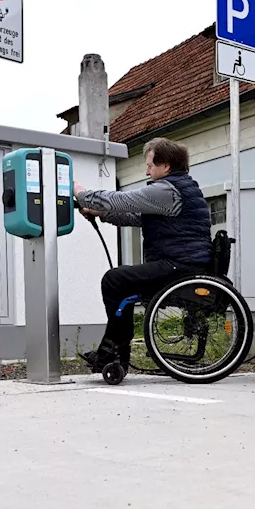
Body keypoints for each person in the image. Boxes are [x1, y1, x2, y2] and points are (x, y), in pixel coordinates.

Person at [72, 137, 212, 369]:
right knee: (120, 284)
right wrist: (102, 214)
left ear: (165, 166)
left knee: (114, 279)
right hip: (184, 262)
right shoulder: (180, 187)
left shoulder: (167, 190)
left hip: (180, 265)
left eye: (149, 165)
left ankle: (115, 351)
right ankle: (115, 352)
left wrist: (82, 193)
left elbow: (122, 200)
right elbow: (136, 218)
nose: (146, 171)